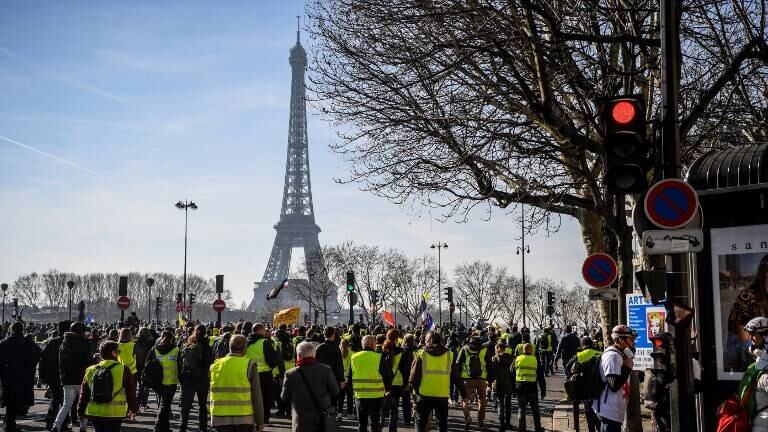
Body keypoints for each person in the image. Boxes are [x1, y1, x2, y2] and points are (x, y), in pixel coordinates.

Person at [409, 331, 467, 432]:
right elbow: (456, 377)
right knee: (442, 424)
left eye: (426, 340)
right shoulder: (449, 355)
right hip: (442, 395)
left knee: (420, 423)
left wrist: (416, 392)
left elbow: (413, 378)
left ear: (429, 341)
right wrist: (464, 395)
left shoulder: (421, 354)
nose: (425, 342)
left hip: (424, 395)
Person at [76, 340, 138, 432]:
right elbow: (131, 392)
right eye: (118, 351)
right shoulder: (124, 370)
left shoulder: (90, 370)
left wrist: (80, 411)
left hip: (95, 411)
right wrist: (133, 408)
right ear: (114, 353)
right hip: (115, 413)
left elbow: (84, 393)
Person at [209, 334, 265, 432]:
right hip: (244, 418)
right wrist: (260, 421)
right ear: (244, 348)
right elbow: (256, 396)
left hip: (220, 418)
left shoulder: (215, 365)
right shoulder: (249, 365)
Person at [281, 341, 340, 432]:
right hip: (322, 418)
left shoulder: (290, 374)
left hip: (301, 419)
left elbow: (285, 397)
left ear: (298, 355)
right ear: (314, 355)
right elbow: (335, 391)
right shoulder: (326, 370)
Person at [0, 322, 42, 432]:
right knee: (16, 400)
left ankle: (8, 423)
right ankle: (9, 424)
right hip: (22, 375)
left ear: (11, 329)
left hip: (7, 375)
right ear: (22, 330)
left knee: (10, 400)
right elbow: (36, 355)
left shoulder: (4, 342)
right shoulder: (27, 343)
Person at [53, 322, 94, 432]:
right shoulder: (84, 344)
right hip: (81, 378)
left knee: (66, 405)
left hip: (67, 379)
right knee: (84, 403)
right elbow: (88, 362)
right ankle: (83, 427)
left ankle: (56, 426)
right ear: (81, 332)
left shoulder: (64, 344)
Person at [595, 325, 636, 432]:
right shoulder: (613, 356)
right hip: (608, 411)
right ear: (621, 340)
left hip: (614, 411)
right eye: (631, 340)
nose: (633, 343)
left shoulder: (619, 355)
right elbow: (614, 384)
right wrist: (627, 368)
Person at [349, 334, 393, 432]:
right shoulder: (379, 357)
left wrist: (352, 392)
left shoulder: (354, 357)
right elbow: (387, 376)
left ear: (362, 345)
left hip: (360, 395)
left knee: (362, 424)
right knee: (374, 424)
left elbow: (349, 378)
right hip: (376, 396)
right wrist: (388, 389)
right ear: (373, 345)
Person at [179, 324, 214, 432]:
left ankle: (183, 426)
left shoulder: (188, 343)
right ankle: (203, 427)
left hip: (188, 377)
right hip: (202, 379)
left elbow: (180, 361)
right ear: (205, 333)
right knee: (202, 405)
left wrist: (182, 378)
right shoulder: (207, 346)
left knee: (186, 405)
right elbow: (209, 363)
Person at [245, 323, 282, 424]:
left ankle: (251, 417)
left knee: (251, 397)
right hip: (265, 375)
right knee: (265, 398)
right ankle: (264, 419)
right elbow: (272, 360)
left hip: (249, 373)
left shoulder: (246, 342)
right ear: (261, 330)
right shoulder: (264, 342)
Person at [39, 321, 70, 430]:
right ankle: (63, 424)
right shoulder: (70, 342)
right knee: (65, 401)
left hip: (52, 375)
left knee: (55, 399)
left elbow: (43, 358)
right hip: (66, 375)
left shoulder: (52, 342)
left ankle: (50, 421)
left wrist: (42, 376)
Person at [566, 337, 601, 432]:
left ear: (583, 345)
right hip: (598, 387)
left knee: (588, 411)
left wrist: (574, 378)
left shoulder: (579, 355)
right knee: (598, 411)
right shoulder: (599, 354)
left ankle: (591, 429)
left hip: (584, 387)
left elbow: (568, 367)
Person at [457, 335, 491, 429]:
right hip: (481, 379)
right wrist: (489, 379)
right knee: (482, 400)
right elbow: (489, 365)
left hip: (467, 379)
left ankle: (467, 417)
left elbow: (458, 364)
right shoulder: (484, 350)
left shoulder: (464, 349)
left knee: (465, 400)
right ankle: (480, 421)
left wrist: (459, 378)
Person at [512, 343, 546, 432]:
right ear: (531, 350)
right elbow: (541, 376)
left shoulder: (517, 359)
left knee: (521, 409)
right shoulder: (535, 360)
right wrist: (543, 390)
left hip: (520, 387)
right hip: (532, 388)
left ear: (523, 350)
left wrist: (513, 388)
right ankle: (537, 428)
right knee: (535, 409)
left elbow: (511, 372)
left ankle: (522, 428)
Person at [315, 327, 345, 422]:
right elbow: (339, 365)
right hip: (334, 377)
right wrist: (342, 379)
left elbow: (315, 363)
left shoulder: (319, 347)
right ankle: (331, 417)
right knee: (333, 398)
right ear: (333, 335)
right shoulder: (336, 348)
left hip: (321, 377)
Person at [153, 330, 179, 432]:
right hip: (171, 381)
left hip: (158, 381)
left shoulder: (155, 349)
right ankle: (158, 426)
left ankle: (164, 427)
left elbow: (149, 363)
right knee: (165, 405)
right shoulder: (176, 350)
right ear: (172, 339)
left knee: (165, 404)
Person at [489, 342, 514, 432]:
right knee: (508, 404)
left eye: (495, 349)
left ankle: (502, 424)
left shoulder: (494, 358)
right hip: (508, 384)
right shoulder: (511, 358)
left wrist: (490, 384)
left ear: (498, 348)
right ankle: (508, 423)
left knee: (500, 404)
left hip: (498, 384)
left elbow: (491, 373)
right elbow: (513, 373)